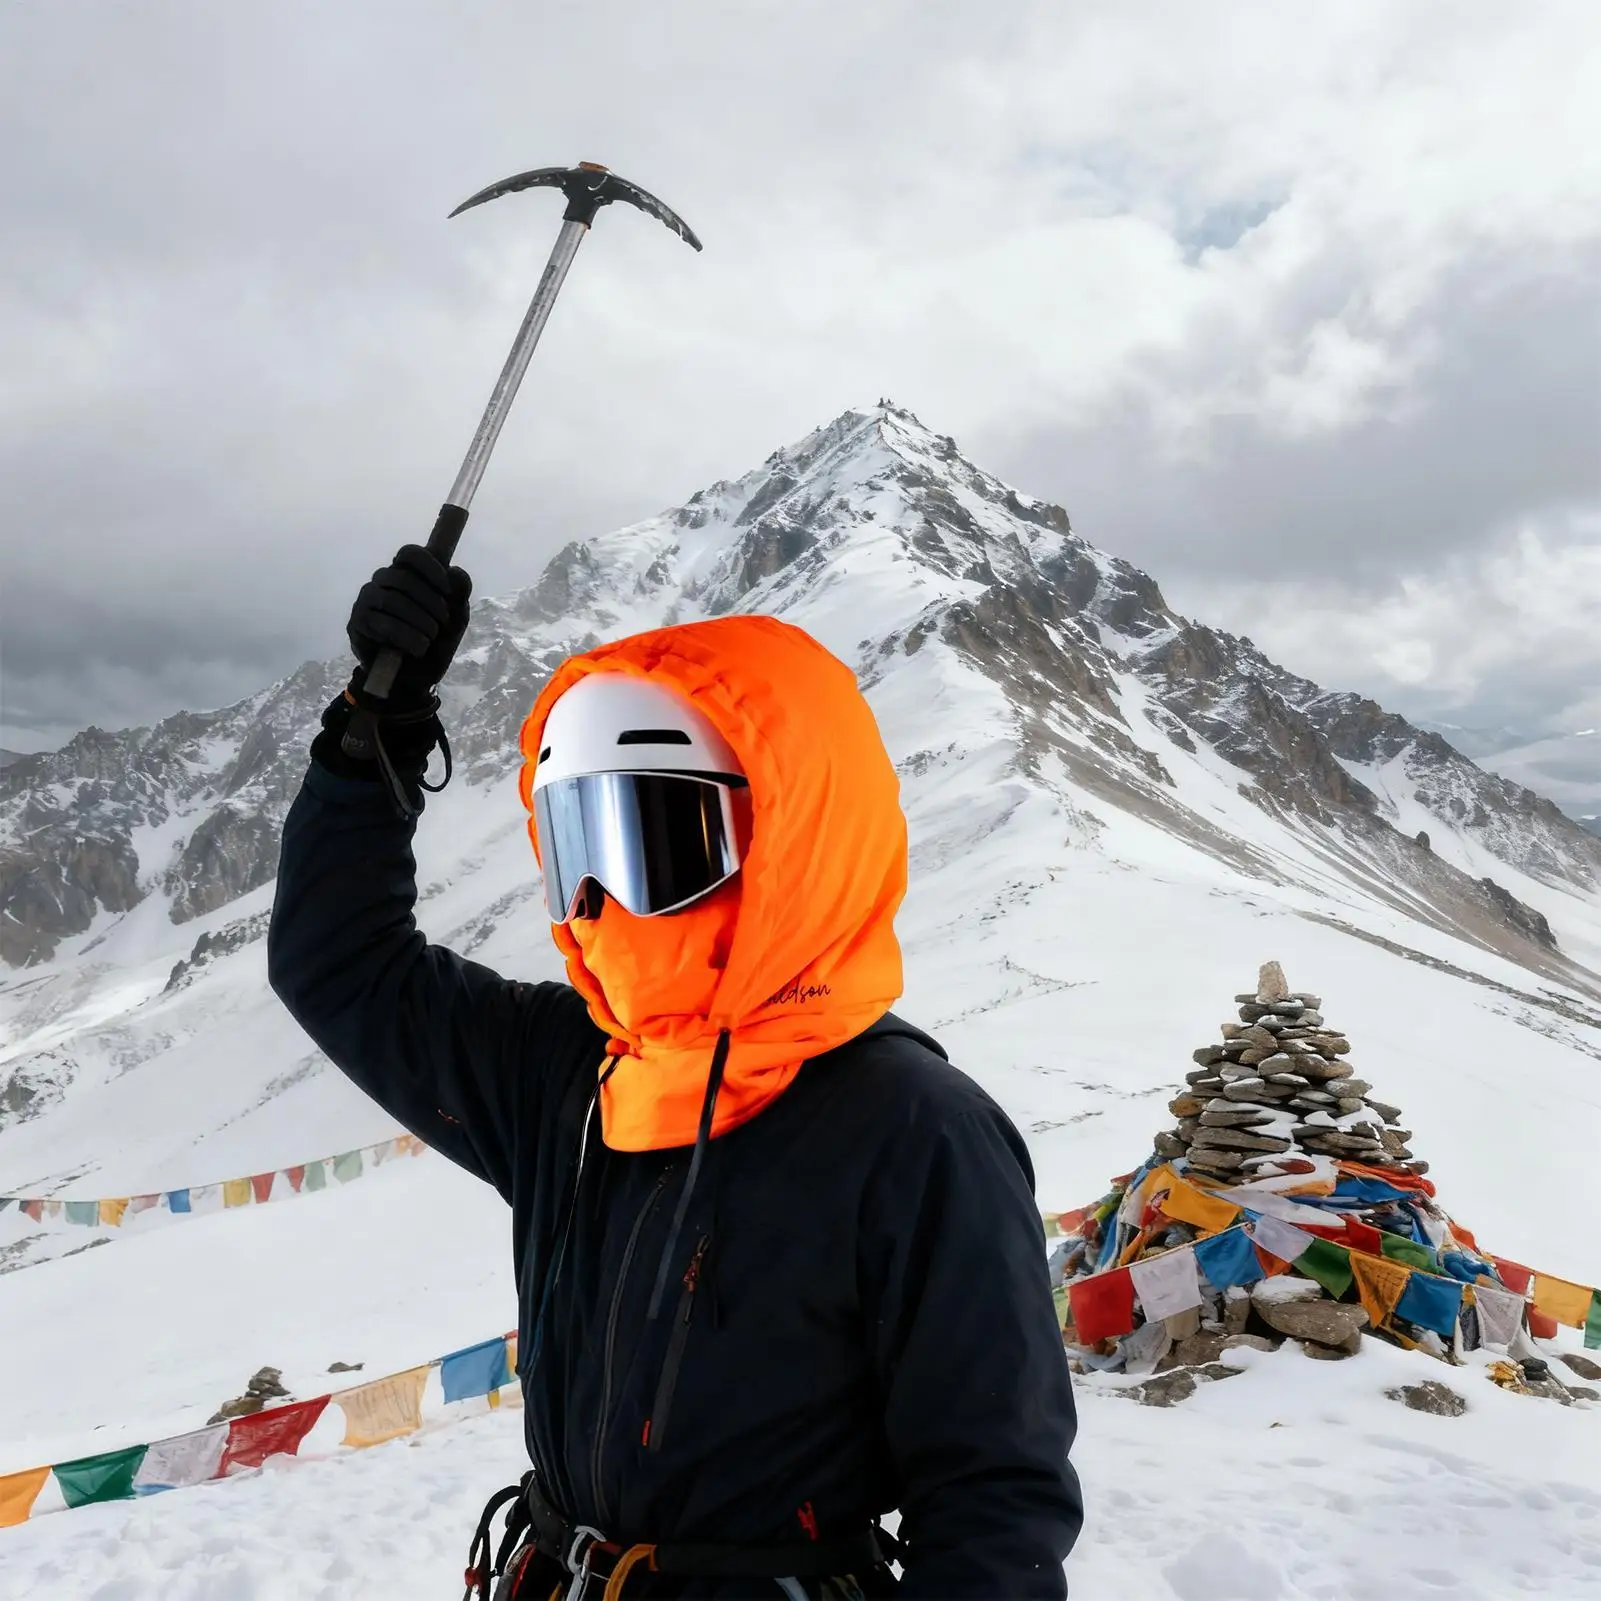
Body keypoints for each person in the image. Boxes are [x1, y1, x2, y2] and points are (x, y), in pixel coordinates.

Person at [268, 543, 1082, 1599]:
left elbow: (991, 1497)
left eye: (651, 838)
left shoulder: (910, 1129)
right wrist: (373, 721)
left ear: (788, 837)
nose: (600, 899)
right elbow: (339, 961)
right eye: (575, 848)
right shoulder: (573, 1074)